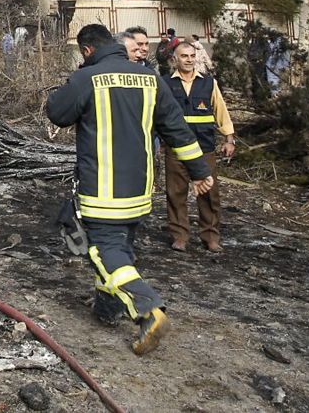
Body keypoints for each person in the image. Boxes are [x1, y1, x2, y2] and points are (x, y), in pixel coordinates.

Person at [46, 23, 213, 355]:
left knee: (104, 252)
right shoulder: (150, 78)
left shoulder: (87, 78)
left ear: (87, 50)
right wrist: (199, 171)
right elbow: (176, 128)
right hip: (138, 191)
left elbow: (57, 112)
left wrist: (76, 81)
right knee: (120, 251)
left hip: (102, 191)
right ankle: (107, 310)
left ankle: (148, 309)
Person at [165, 41, 236, 253]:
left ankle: (210, 236)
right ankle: (179, 236)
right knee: (175, 192)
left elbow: (220, 110)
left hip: (204, 147)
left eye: (191, 55)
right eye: (184, 56)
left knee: (209, 193)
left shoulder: (208, 83)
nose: (188, 59)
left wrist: (229, 139)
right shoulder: (165, 83)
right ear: (174, 59)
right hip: (176, 148)